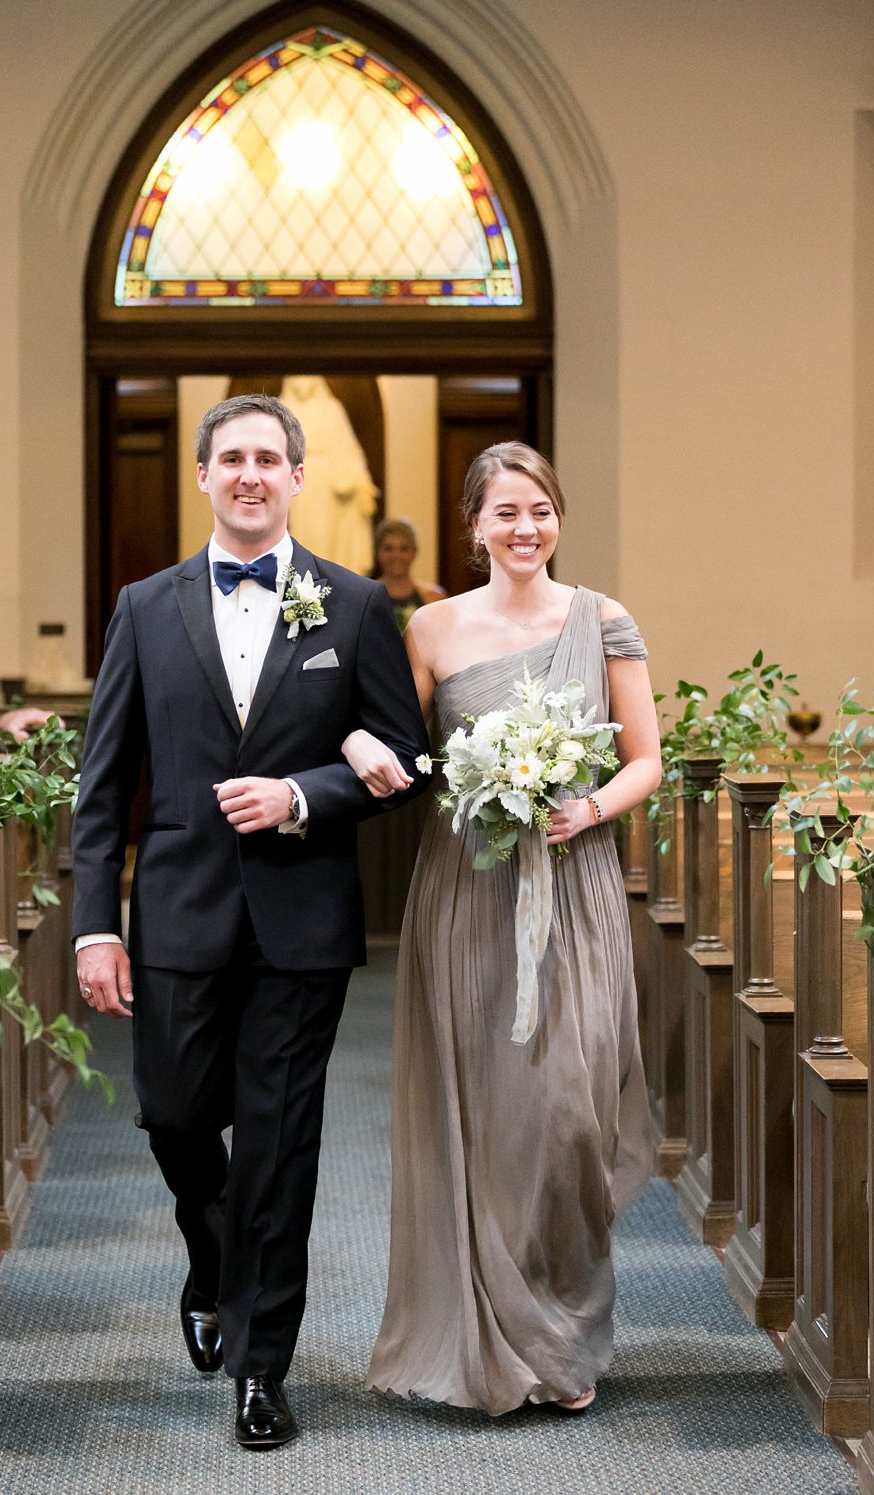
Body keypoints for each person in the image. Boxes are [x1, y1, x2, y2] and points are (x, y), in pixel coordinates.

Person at [70, 392, 430, 1451]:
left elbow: (400, 762)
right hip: (174, 912)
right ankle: (209, 1252)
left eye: (267, 459)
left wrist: (305, 794)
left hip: (301, 923)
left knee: (278, 1147)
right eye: (229, 458)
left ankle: (258, 1366)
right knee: (175, 1118)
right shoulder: (143, 606)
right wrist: (96, 923)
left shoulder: (354, 605)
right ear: (201, 476)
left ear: (293, 476)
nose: (247, 475)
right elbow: (102, 784)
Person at [348, 443, 661, 1415]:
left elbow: (643, 756)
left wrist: (588, 808)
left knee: (568, 1113)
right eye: (504, 512)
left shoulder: (602, 619)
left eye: (539, 510)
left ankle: (562, 1332)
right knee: (482, 1110)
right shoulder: (430, 629)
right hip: (467, 892)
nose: (524, 528)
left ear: (555, 518)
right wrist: (364, 746)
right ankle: (488, 1338)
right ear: (472, 525)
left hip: (574, 885)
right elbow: (402, 752)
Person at [369, 516, 447, 632]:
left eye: (403, 549)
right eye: (388, 548)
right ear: (377, 552)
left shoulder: (434, 598)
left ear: (414, 552)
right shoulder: (365, 599)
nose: (396, 556)